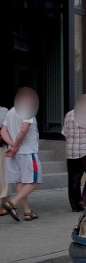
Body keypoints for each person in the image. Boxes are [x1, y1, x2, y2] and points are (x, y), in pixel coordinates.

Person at [1, 87, 41, 221]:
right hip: (27, 151)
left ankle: (27, 211)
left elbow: (3, 131)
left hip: (15, 153)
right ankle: (12, 202)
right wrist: (16, 146)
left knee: (20, 181)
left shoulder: (11, 111)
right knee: (34, 181)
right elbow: (24, 130)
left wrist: (12, 145)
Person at [0, 106, 8, 216]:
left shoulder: (4, 111)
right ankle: (2, 205)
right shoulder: (3, 111)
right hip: (1, 148)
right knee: (2, 175)